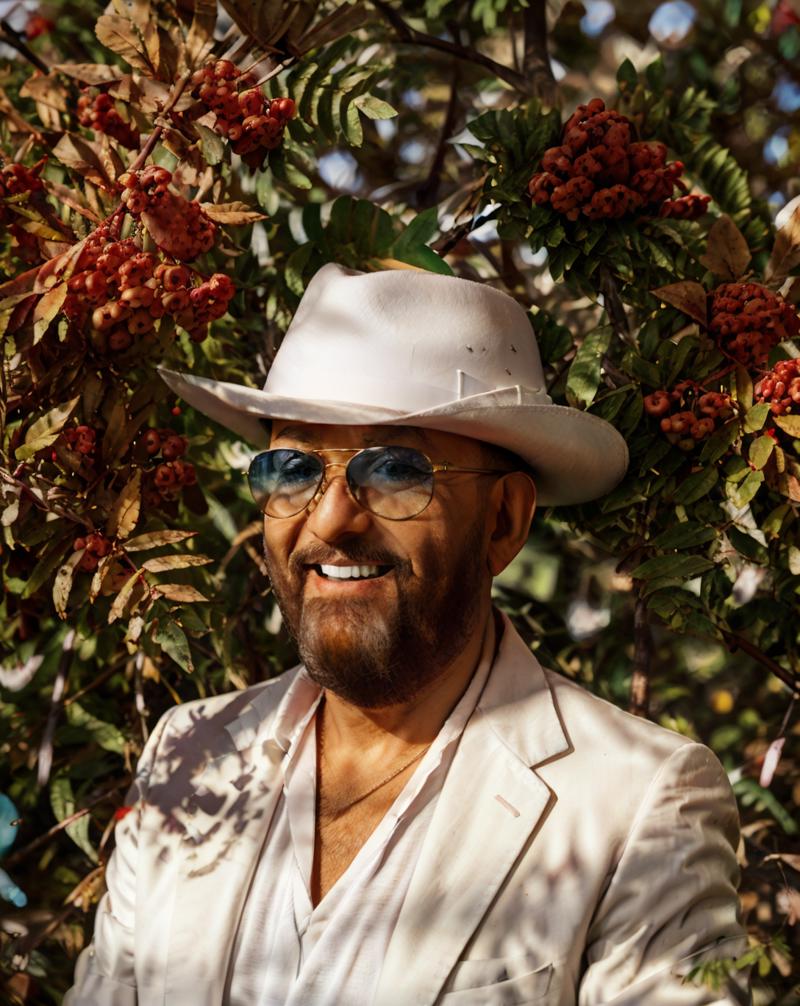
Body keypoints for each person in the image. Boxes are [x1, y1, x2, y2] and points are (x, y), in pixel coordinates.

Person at [66, 264, 747, 1005]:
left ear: (503, 522)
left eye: (394, 471)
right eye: (292, 468)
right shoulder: (188, 752)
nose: (330, 521)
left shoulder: (636, 804)